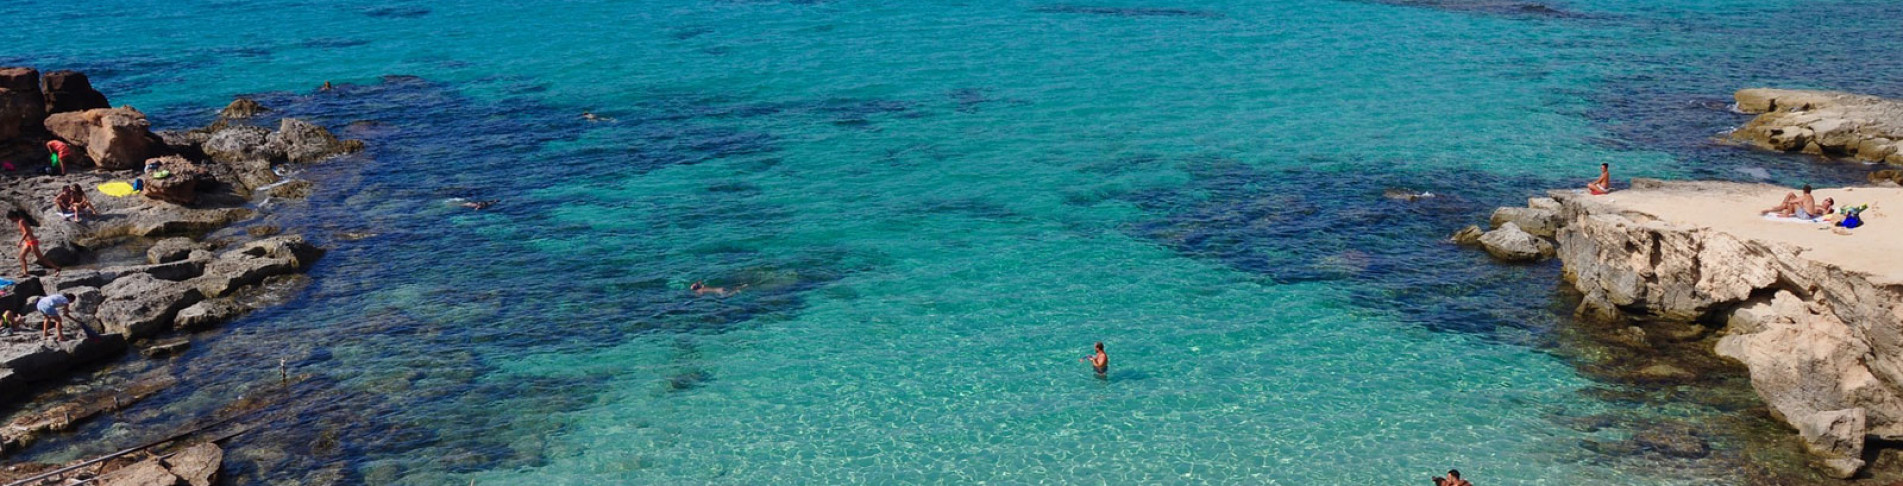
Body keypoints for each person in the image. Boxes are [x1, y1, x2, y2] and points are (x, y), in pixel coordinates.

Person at [7, 209, 59, 277]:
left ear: (14, 217)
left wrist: (20, 241)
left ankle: (57, 268)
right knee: (21, 257)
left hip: (32, 242)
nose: (11, 221)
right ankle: (25, 273)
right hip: (27, 242)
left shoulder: (22, 221)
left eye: (11, 219)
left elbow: (26, 232)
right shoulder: (20, 221)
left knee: (41, 258)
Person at [1762, 185, 1834, 219]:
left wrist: (1829, 209)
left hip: (1805, 215)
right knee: (1789, 198)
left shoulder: (1823, 209)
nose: (1825, 201)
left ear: (1830, 204)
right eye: (1825, 199)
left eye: (1828, 201)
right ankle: (1777, 209)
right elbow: (1806, 206)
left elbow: (1825, 214)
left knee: (1790, 202)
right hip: (1804, 212)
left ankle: (1779, 212)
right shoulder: (1813, 200)